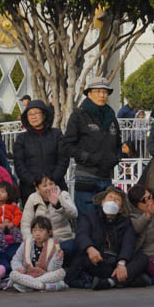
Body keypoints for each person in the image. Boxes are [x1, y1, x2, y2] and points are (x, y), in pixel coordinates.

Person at [65, 186, 148, 289]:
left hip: (115, 264)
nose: (112, 201)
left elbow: (128, 244)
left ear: (121, 209)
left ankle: (110, 282)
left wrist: (122, 263)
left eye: (117, 200)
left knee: (143, 258)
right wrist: (90, 248)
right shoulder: (89, 216)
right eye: (110, 197)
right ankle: (125, 280)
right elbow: (82, 234)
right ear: (102, 202)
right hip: (97, 261)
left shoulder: (126, 222)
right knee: (81, 259)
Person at [61, 76, 122, 213]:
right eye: (98, 91)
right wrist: (88, 157)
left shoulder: (111, 117)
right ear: (89, 94)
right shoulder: (79, 115)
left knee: (107, 219)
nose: (102, 95)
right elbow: (67, 145)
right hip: (86, 177)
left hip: (107, 177)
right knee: (87, 220)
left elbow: (118, 143)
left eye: (105, 92)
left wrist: (117, 157)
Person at [13, 99, 69, 202]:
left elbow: (63, 159)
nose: (33, 116)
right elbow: (19, 163)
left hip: (56, 186)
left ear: (44, 114)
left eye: (37, 113)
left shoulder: (57, 135)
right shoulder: (22, 138)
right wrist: (34, 182)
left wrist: (52, 181)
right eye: (30, 114)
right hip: (30, 189)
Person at [21, 173, 78, 259]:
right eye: (44, 186)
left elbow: (74, 214)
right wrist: (30, 242)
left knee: (70, 249)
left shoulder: (63, 194)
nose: (48, 188)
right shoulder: (32, 198)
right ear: (37, 188)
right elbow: (25, 223)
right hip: (40, 241)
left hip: (62, 240)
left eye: (51, 184)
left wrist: (58, 206)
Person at [9, 216, 67, 291]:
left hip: (45, 275)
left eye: (41, 230)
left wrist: (58, 259)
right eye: (34, 230)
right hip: (27, 274)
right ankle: (44, 287)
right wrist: (20, 268)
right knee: (13, 274)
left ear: (49, 232)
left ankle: (27, 286)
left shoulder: (54, 245)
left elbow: (51, 270)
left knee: (61, 272)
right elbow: (16, 260)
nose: (37, 233)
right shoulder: (26, 243)